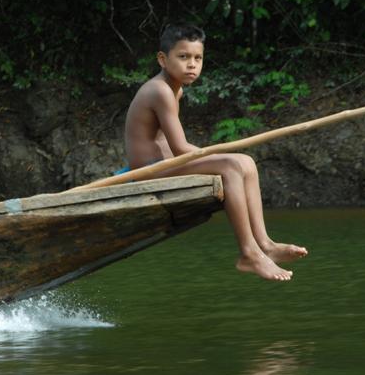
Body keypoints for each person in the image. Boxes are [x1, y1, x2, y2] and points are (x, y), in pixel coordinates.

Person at [124, 23, 306, 281]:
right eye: (183, 57)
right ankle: (249, 253)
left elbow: (178, 150)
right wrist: (216, 156)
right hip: (150, 171)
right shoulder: (160, 91)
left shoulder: (175, 89)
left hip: (166, 164)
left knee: (246, 162)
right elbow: (180, 148)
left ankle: (265, 244)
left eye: (198, 58)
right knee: (231, 165)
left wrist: (215, 156)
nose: (192, 65)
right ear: (162, 59)